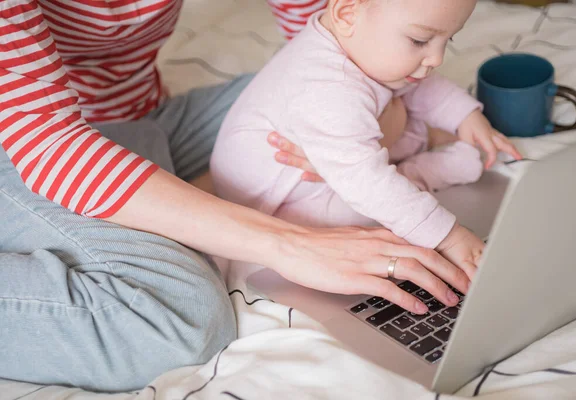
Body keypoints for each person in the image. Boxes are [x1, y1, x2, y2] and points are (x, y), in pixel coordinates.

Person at [0, 0, 472, 392]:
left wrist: (367, 135)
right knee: (182, 320)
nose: (436, 56)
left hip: (133, 124)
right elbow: (46, 142)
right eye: (423, 40)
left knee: (328, 94)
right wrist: (288, 243)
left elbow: (325, 49)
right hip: (26, 147)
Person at [210, 0, 523, 290]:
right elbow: (368, 185)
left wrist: (464, 115)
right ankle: (419, 174)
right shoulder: (329, 88)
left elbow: (414, 84)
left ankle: (421, 146)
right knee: (370, 219)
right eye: (419, 41)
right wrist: (449, 237)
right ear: (347, 14)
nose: (437, 59)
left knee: (398, 106)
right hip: (281, 204)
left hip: (335, 159)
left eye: (448, 40)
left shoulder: (358, 45)